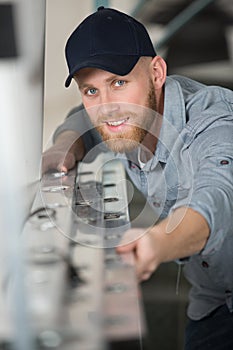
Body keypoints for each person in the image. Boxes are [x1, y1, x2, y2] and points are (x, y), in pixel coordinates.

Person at [42, 7, 233, 350]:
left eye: (118, 83)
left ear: (157, 72)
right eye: (90, 91)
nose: (107, 106)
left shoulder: (213, 122)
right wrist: (63, 148)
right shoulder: (127, 117)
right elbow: (81, 123)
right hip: (212, 300)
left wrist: (157, 242)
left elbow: (217, 196)